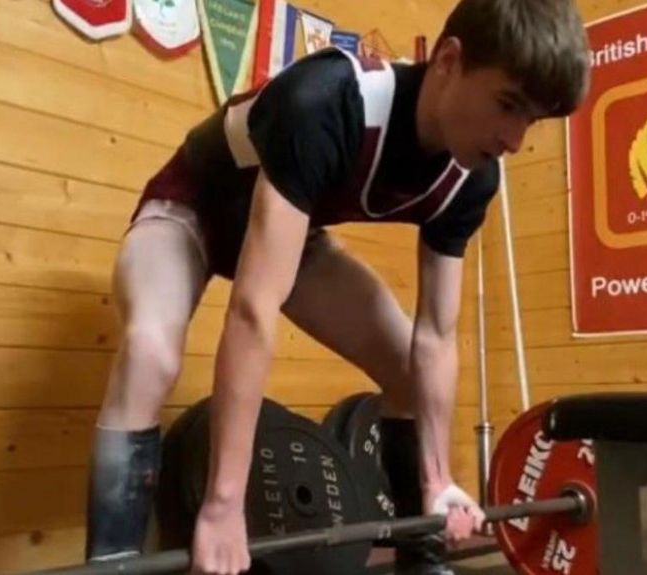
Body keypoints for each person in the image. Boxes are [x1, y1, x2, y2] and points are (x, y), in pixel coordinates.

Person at [83, 0, 590, 573]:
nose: (516, 138)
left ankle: (420, 557)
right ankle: (112, 562)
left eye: (534, 119)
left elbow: (436, 337)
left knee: (405, 366)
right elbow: (253, 309)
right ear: (449, 60)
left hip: (288, 236)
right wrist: (222, 506)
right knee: (150, 352)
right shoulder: (327, 100)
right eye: (508, 105)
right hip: (191, 209)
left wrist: (439, 479)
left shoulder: (471, 178)